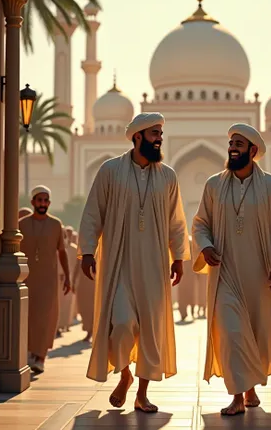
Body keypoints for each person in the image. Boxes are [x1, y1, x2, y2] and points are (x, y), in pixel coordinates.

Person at [78, 112, 190, 413]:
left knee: (151, 332)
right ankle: (125, 374)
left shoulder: (168, 175)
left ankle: (141, 393)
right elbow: (93, 213)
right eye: (154, 133)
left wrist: (179, 256)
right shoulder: (110, 170)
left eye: (161, 133)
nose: (159, 138)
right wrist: (87, 250)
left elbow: (177, 222)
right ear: (137, 136)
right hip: (119, 263)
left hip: (154, 265)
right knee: (122, 324)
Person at [192, 123, 271, 416]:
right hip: (225, 274)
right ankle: (237, 396)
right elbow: (200, 223)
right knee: (232, 333)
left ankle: (250, 389)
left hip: (260, 275)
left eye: (239, 143)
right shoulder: (214, 185)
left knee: (256, 334)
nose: (232, 148)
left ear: (253, 151)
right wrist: (205, 245)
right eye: (230, 143)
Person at [19, 185, 71, 373]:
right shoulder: (21, 224)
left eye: (45, 200)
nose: (42, 204)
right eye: (39, 200)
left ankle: (41, 356)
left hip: (48, 278)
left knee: (46, 317)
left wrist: (67, 276)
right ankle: (31, 352)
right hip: (27, 278)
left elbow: (62, 252)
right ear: (33, 202)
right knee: (29, 316)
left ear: (49, 203)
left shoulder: (56, 224)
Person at [73, 230, 95, 342]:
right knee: (82, 307)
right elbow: (78, 266)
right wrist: (72, 281)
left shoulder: (99, 248)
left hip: (94, 283)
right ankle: (88, 329)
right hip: (82, 283)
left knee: (93, 308)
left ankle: (91, 331)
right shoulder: (82, 249)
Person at [58, 226, 78, 333]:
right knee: (59, 303)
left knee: (68, 303)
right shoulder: (60, 247)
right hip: (58, 278)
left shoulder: (75, 249)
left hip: (69, 278)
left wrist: (73, 278)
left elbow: (76, 265)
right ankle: (58, 326)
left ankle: (66, 324)